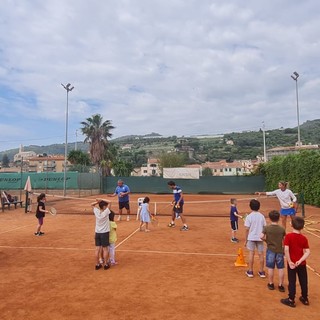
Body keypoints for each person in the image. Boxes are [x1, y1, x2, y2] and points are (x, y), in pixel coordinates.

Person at [281, 216, 310, 308]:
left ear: (291, 225)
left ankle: (291, 300)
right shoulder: (304, 238)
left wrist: (290, 261)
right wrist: (300, 260)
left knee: (292, 281)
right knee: (304, 281)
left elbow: (286, 250)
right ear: (302, 227)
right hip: (301, 264)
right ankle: (305, 298)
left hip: (292, 264)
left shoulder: (288, 237)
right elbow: (307, 252)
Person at [260, 210, 286, 292]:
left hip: (270, 250)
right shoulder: (282, 229)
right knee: (281, 268)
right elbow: (284, 240)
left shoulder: (266, 228)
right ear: (278, 219)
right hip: (280, 251)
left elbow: (261, 236)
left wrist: (266, 241)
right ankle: (281, 285)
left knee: (270, 268)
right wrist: (284, 249)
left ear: (270, 218)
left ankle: (271, 283)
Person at [244, 199, 267, 278]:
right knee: (261, 254)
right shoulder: (262, 216)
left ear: (250, 207)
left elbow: (247, 229)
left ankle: (250, 271)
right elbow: (265, 227)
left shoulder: (249, 217)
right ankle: (261, 272)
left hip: (251, 238)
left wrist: (246, 240)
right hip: (260, 238)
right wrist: (264, 237)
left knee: (251, 253)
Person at [91, 198, 112, 270]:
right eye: (105, 206)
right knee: (105, 249)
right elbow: (110, 201)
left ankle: (97, 264)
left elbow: (91, 204)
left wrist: (97, 202)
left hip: (97, 233)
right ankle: (106, 264)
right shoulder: (106, 212)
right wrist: (101, 199)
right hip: (104, 233)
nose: (106, 206)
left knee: (97, 249)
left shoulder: (96, 211)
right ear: (104, 207)